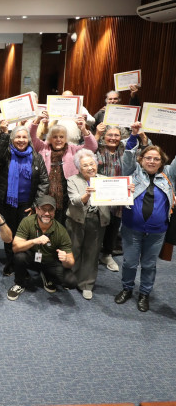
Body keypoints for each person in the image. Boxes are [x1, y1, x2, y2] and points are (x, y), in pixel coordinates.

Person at [114, 123, 176, 313]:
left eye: (156, 159)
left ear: (162, 161)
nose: (152, 161)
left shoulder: (168, 175)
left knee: (149, 265)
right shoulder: (133, 172)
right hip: (132, 228)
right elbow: (128, 155)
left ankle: (144, 294)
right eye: (148, 158)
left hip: (157, 231)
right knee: (129, 262)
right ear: (141, 160)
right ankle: (127, 289)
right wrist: (134, 135)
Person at [0, 125, 49, 275]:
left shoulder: (36, 157)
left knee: (24, 234)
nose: (21, 140)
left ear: (29, 139)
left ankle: (21, 263)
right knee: (8, 233)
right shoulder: (7, 154)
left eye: (24, 137)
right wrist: (5, 133)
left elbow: (44, 181)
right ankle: (11, 262)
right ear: (12, 139)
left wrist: (36, 204)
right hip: (6, 202)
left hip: (27, 204)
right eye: (17, 137)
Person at [95, 124, 150, 271]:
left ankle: (107, 254)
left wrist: (142, 137)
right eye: (110, 135)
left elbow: (144, 154)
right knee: (97, 226)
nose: (113, 138)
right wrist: (97, 134)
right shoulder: (97, 148)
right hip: (100, 194)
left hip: (119, 195)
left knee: (114, 226)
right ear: (104, 136)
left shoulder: (125, 149)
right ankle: (93, 255)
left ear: (121, 137)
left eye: (116, 135)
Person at [30, 111, 98, 223]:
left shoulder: (73, 149)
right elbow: (32, 137)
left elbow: (92, 147)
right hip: (46, 192)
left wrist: (84, 130)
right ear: (50, 138)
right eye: (55, 137)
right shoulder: (43, 147)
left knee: (64, 221)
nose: (58, 140)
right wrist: (37, 121)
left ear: (66, 138)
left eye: (61, 137)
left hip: (68, 192)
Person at [7, 195, 77, 301]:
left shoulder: (61, 230)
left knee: (71, 282)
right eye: (43, 209)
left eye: (50, 210)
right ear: (37, 209)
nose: (47, 213)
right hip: (31, 259)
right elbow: (15, 247)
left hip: (49, 262)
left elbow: (71, 262)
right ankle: (19, 284)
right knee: (19, 257)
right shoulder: (27, 222)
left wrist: (66, 259)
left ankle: (47, 275)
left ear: (54, 211)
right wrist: (34, 241)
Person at [65, 149, 110, 300]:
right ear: (79, 168)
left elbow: (116, 199)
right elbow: (74, 200)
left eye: (92, 164)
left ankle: (87, 284)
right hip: (76, 220)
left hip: (97, 220)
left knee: (92, 252)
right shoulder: (72, 180)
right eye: (85, 165)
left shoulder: (105, 180)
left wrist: (126, 191)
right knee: (74, 250)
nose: (90, 168)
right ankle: (72, 278)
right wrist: (87, 195)